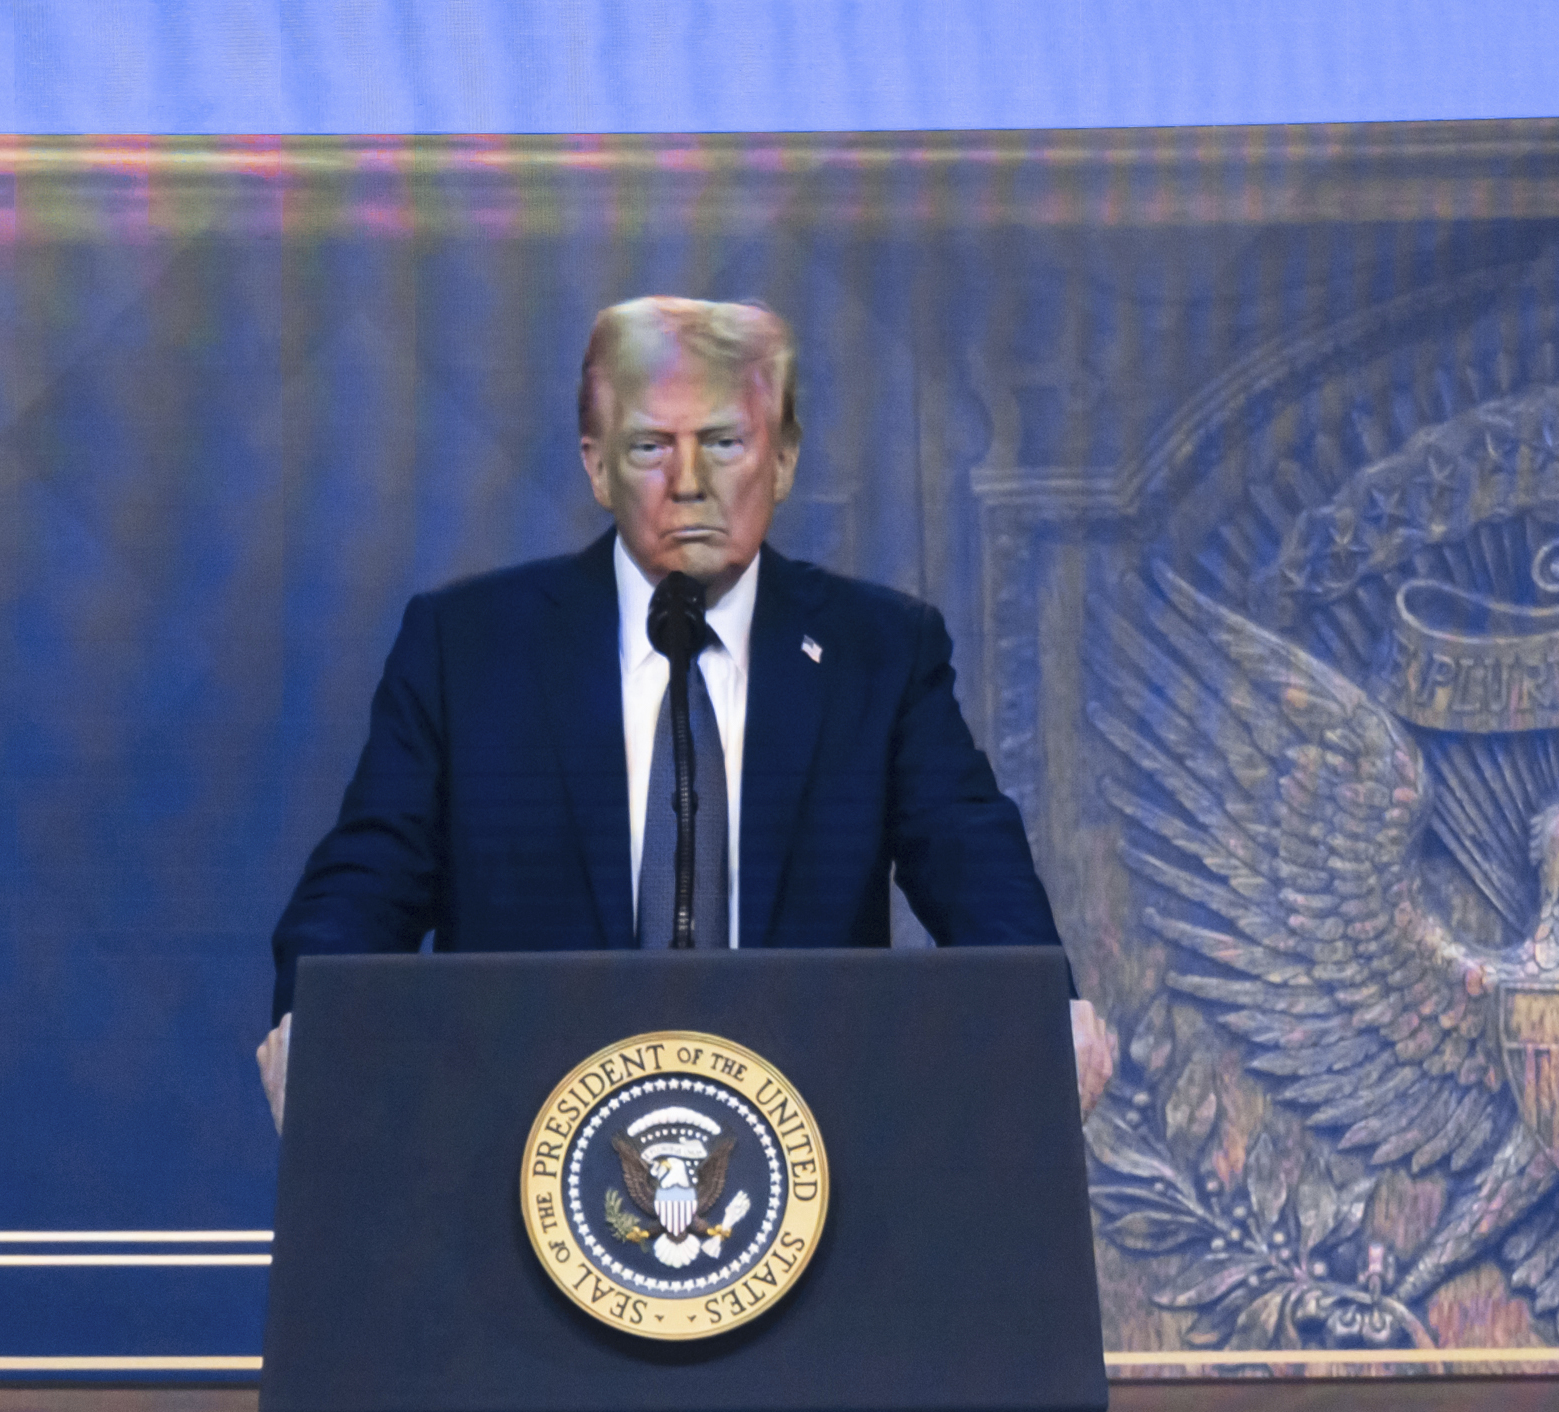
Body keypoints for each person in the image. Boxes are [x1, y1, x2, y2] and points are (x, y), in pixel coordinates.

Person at [255, 294, 1114, 1123]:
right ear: (595, 465)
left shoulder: (879, 654)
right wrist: (315, 1018)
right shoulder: (469, 651)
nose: (690, 482)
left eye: (725, 442)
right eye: (650, 448)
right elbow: (365, 881)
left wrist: (1046, 1004)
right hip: (521, 1149)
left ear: (783, 460)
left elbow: (974, 863)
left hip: (809, 1154)